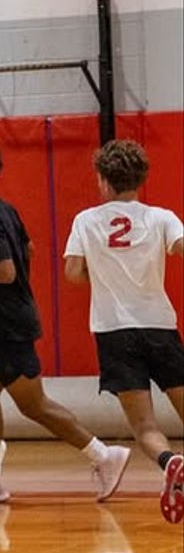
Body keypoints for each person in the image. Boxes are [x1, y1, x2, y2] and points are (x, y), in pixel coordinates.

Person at [0, 139, 131, 505]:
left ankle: (102, 455)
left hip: (8, 326)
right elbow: (26, 249)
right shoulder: (4, 210)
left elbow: (7, 271)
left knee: (33, 404)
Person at [63, 138, 184, 524]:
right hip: (159, 325)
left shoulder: (85, 220)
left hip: (114, 331)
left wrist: (102, 269)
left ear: (102, 180)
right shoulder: (161, 217)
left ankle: (170, 462)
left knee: (145, 425)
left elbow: (73, 273)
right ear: (141, 178)